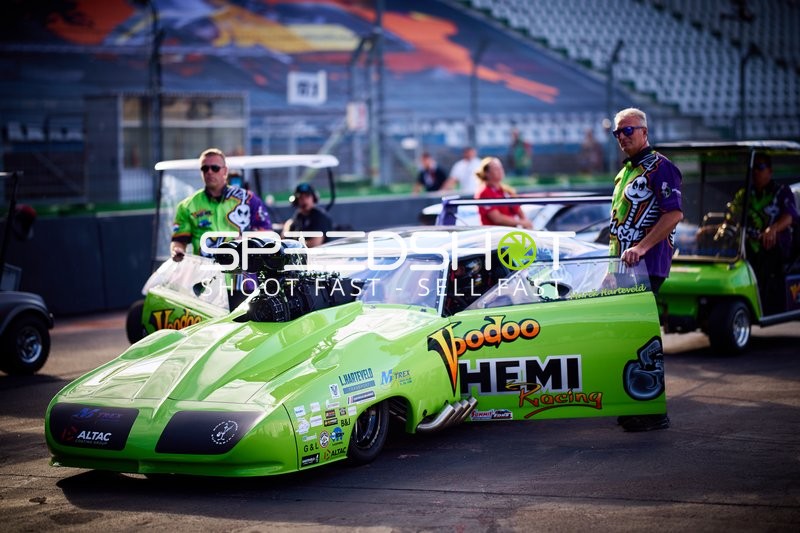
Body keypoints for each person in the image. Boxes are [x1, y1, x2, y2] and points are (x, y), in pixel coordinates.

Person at [608, 107, 683, 433]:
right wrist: (611, 266)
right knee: (627, 337)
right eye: (617, 133)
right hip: (623, 269)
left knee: (643, 338)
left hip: (647, 266)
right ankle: (634, 403)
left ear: (644, 131)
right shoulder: (626, 171)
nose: (623, 137)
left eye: (628, 131)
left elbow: (674, 215)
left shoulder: (661, 167)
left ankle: (654, 412)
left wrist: (641, 247)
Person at [727, 153, 799, 314]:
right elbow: (731, 217)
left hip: (775, 248)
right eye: (754, 168)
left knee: (768, 258)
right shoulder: (743, 194)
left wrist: (772, 229)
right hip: (745, 247)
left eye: (760, 167)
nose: (756, 172)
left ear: (770, 171)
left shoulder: (782, 191)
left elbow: (790, 217)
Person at [170, 148, 271, 262]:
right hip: (204, 273)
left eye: (215, 168)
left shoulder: (248, 199)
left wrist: (245, 240)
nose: (209, 172)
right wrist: (177, 250)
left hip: (241, 272)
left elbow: (266, 232)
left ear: (225, 171)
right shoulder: (187, 205)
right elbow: (179, 240)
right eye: (205, 168)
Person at [475, 156, 533, 229]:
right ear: (487, 173)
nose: (500, 171)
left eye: (500, 168)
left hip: (510, 233)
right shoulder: (484, 192)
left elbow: (518, 210)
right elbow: (497, 218)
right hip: (495, 235)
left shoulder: (506, 190)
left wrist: (526, 224)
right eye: (496, 168)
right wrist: (521, 222)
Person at [282, 182, 332, 248]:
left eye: (307, 196)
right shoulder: (297, 218)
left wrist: (294, 245)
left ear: (313, 198)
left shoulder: (320, 217)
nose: (304, 200)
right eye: (301, 197)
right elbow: (284, 239)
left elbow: (315, 243)